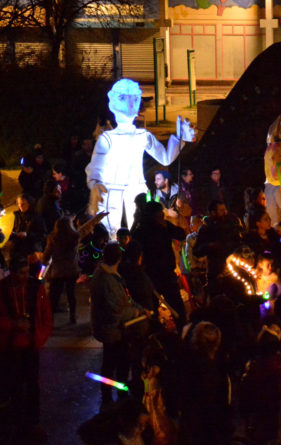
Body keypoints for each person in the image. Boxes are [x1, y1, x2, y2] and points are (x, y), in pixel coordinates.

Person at [86, 78, 194, 232]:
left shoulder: (142, 135)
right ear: (113, 102)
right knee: (109, 229)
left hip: (136, 188)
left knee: (141, 227)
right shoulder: (107, 138)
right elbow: (95, 166)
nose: (130, 104)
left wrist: (181, 137)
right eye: (123, 98)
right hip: (111, 189)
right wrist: (95, 184)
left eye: (135, 99)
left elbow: (165, 158)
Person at [0, 257, 53, 437]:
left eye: (26, 272)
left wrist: (39, 338)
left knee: (31, 386)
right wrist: (13, 324)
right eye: (22, 273)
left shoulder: (35, 289)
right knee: (12, 386)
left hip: (29, 345)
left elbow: (46, 315)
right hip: (9, 347)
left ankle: (30, 423)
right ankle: (16, 423)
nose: (25, 276)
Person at [90, 243, 145, 408]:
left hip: (110, 328)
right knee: (116, 364)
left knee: (111, 363)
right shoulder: (108, 280)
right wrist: (136, 312)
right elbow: (117, 309)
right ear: (119, 259)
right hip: (113, 330)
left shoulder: (105, 275)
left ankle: (112, 394)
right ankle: (113, 396)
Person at [42, 216, 81, 324]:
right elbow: (85, 229)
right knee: (71, 295)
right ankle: (72, 316)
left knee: (54, 295)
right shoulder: (75, 237)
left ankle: (50, 319)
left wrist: (43, 264)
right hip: (71, 270)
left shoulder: (53, 238)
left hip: (58, 271)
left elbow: (47, 254)